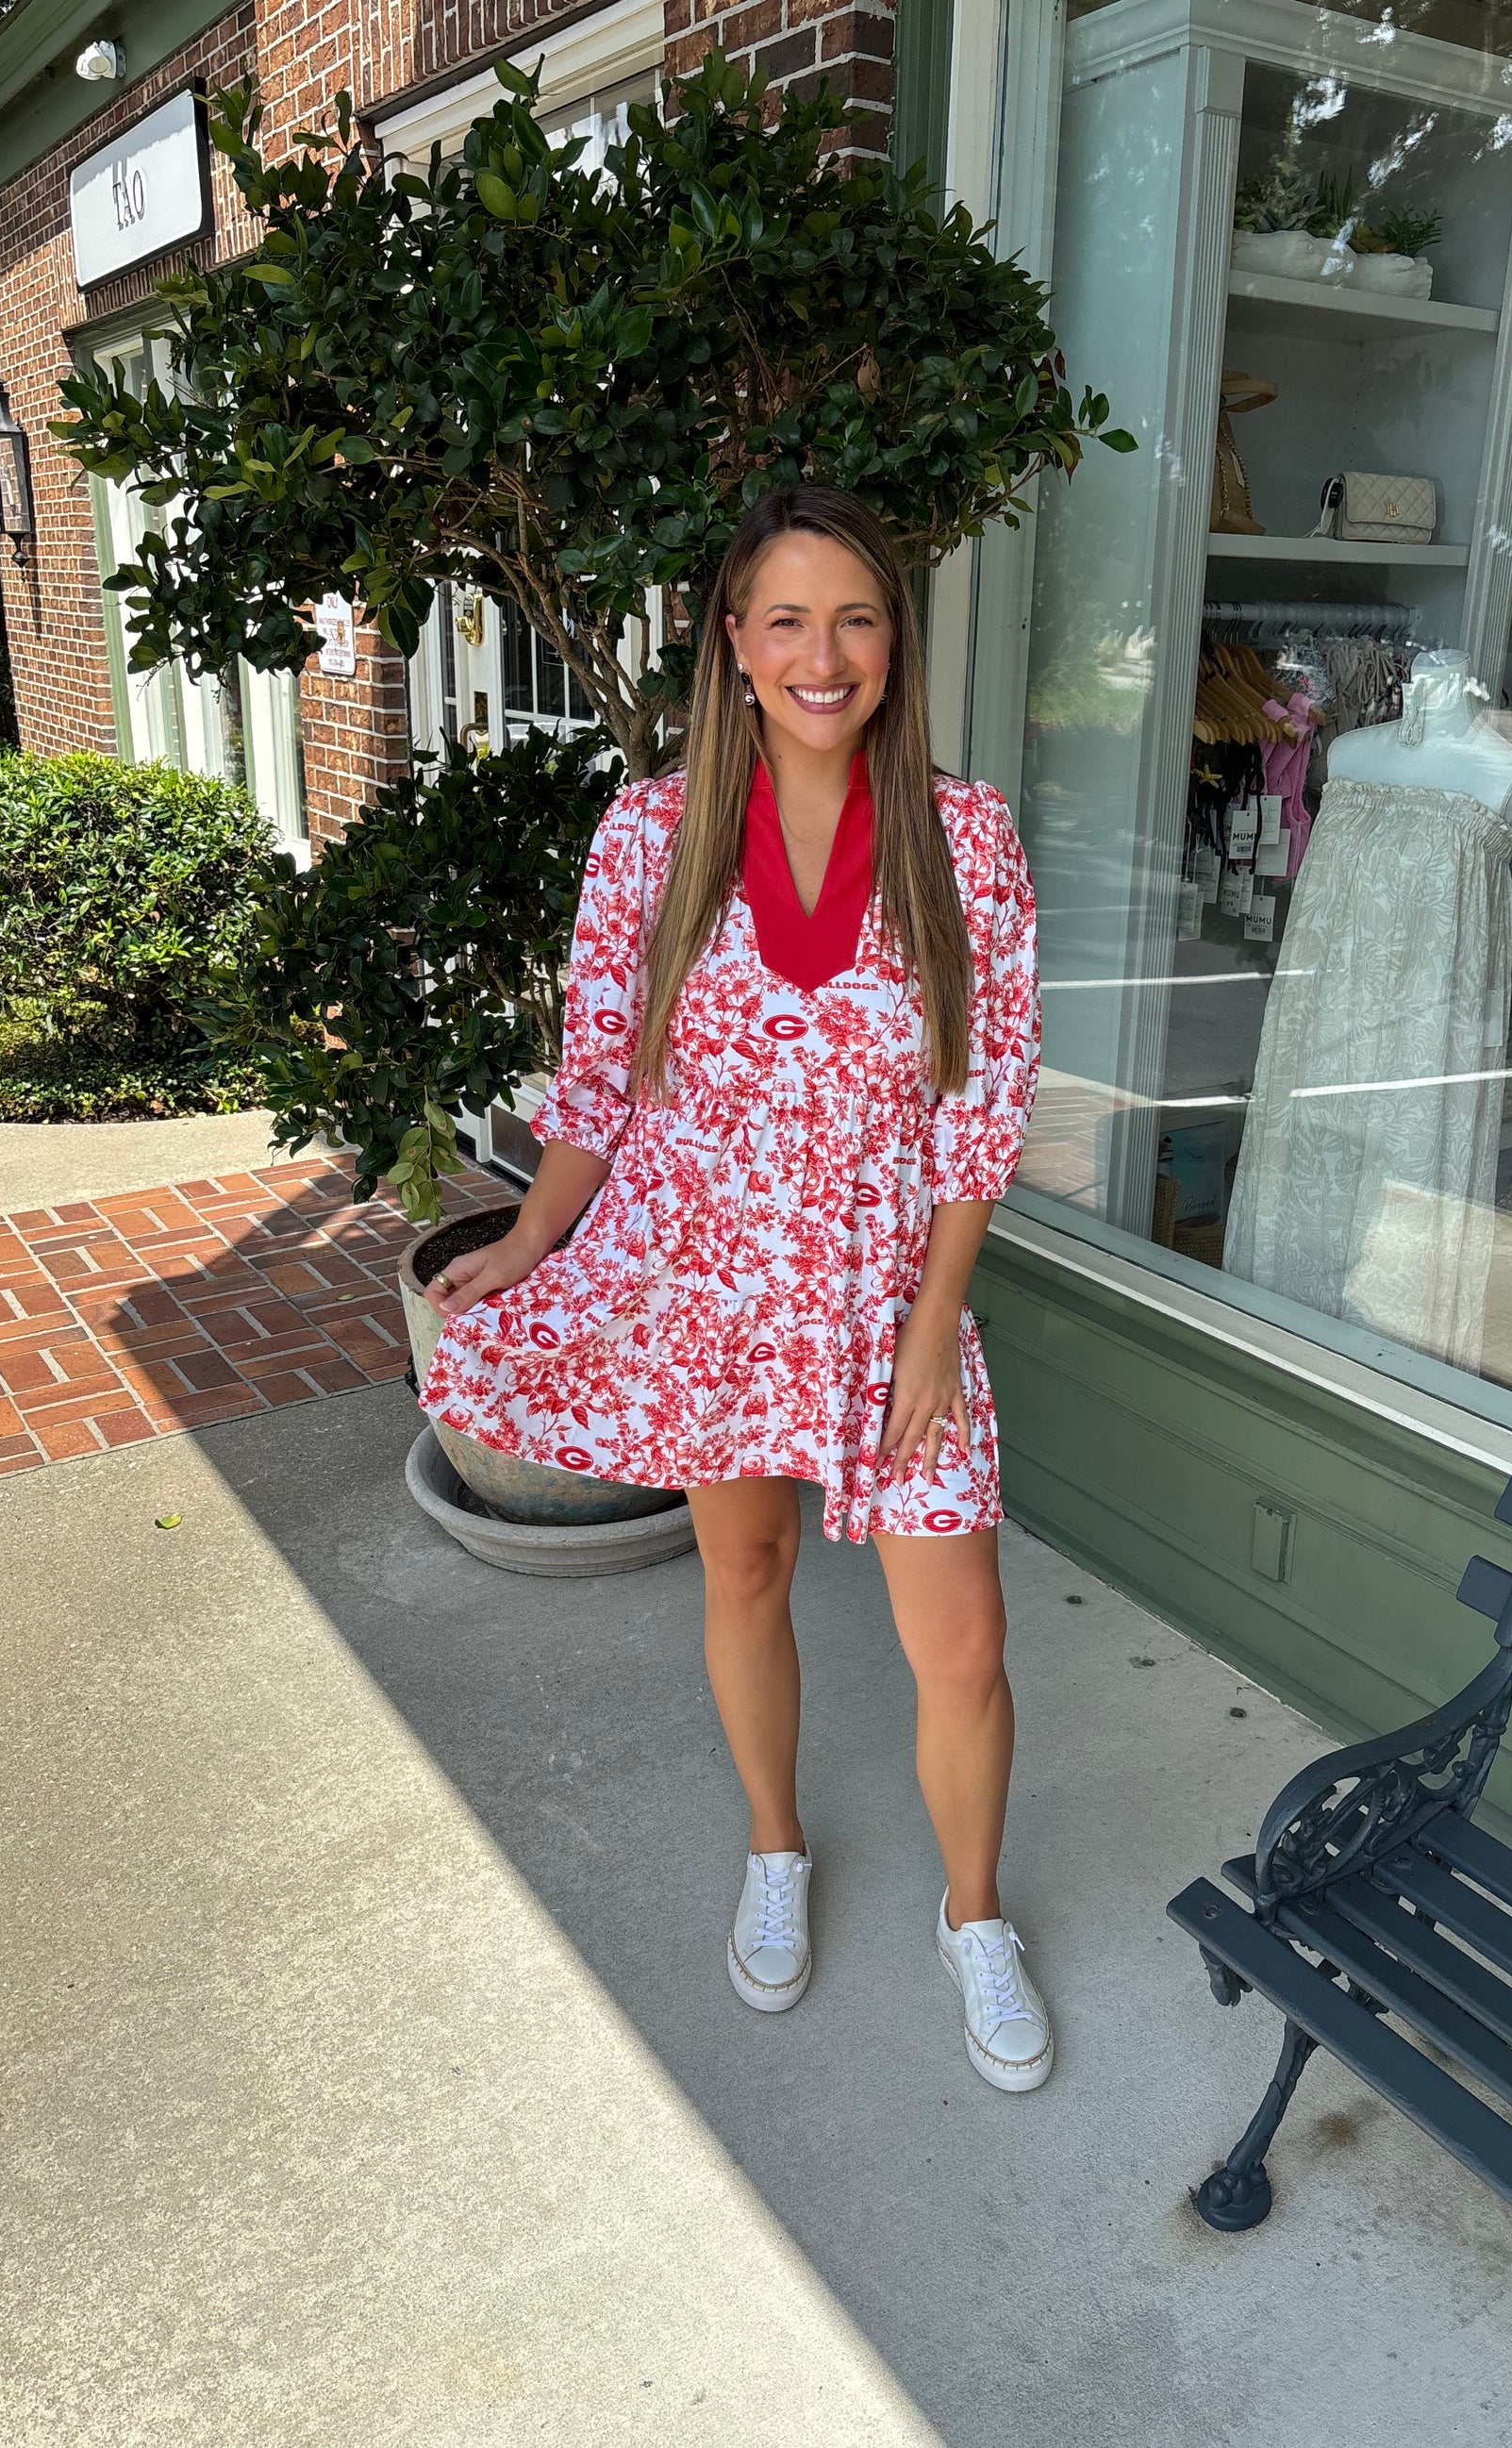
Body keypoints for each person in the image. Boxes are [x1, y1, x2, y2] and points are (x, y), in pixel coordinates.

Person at [418, 486, 1049, 2092]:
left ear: (894, 639)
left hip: (892, 1295)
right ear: (734, 643)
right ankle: (777, 1847)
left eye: (854, 616)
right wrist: (533, 1241)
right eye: (785, 619)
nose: (821, 654)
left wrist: (925, 1331)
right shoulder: (653, 830)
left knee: (963, 1642)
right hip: (707, 1281)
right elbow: (601, 1082)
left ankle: (975, 1919)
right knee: (746, 1575)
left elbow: (980, 1111)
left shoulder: (962, 835)